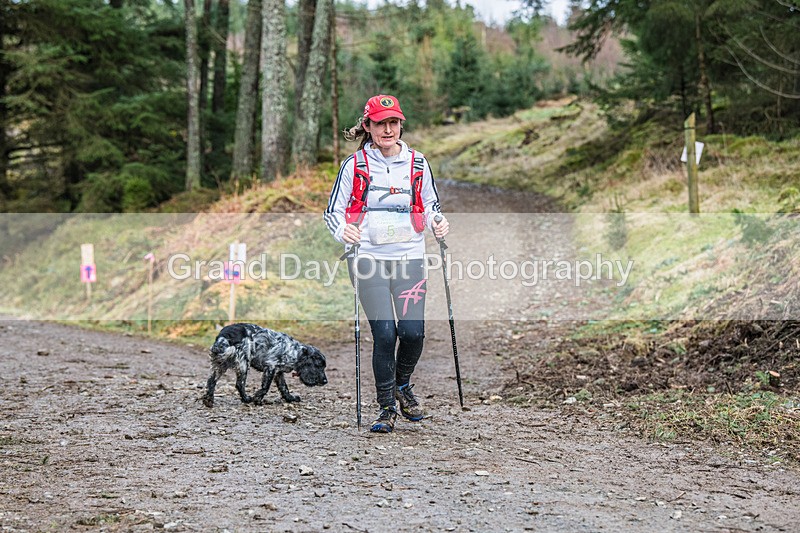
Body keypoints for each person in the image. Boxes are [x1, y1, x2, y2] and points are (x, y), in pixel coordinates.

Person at [324, 94, 449, 433]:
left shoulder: (418, 163)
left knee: (413, 333)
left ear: (400, 125)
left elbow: (431, 204)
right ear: (368, 126)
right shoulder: (355, 165)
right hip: (368, 261)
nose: (388, 129)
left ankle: (402, 383)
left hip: (409, 259)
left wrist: (438, 222)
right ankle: (386, 408)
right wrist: (343, 230)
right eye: (380, 123)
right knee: (384, 333)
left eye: (393, 122)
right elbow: (332, 212)